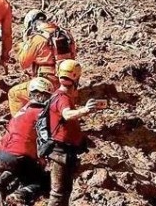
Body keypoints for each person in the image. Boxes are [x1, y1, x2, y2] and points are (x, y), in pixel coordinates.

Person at [43, 60, 106, 206]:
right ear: (76, 78)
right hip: (59, 151)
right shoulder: (62, 98)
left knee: (64, 190)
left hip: (64, 149)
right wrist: (84, 110)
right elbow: (66, 115)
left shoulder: (59, 96)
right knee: (57, 192)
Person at [0, 77, 53, 205]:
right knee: (42, 181)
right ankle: (19, 195)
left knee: (24, 170)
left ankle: (5, 178)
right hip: (18, 156)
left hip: (1, 154)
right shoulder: (41, 113)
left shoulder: (24, 109)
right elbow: (45, 139)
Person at [7, 11, 77, 116]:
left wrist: (25, 45)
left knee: (14, 94)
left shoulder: (38, 38)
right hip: (68, 84)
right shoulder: (66, 35)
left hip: (46, 84)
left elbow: (23, 63)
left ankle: (19, 126)